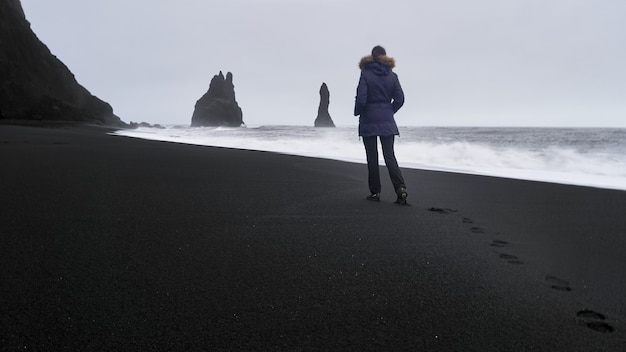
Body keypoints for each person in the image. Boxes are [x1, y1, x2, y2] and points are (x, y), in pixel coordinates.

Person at [354, 45, 408, 205]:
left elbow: (361, 98)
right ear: (385, 57)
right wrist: (388, 111)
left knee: (372, 156)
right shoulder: (393, 76)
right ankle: (401, 189)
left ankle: (375, 192)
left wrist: (358, 111)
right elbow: (400, 99)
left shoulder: (365, 74)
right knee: (389, 155)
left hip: (369, 119)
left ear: (371, 57)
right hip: (387, 120)